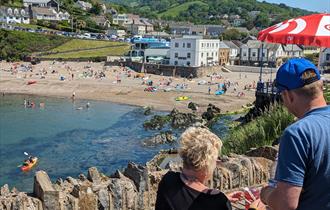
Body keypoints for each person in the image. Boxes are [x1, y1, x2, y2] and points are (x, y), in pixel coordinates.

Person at [260, 58, 330, 210]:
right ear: (321, 86)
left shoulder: (298, 133)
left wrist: (265, 194)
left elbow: (287, 204)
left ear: (288, 95)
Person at [155, 127, 232, 210]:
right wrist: (222, 201)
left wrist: (221, 199)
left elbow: (185, 201)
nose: (216, 163)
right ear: (206, 162)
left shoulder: (168, 180)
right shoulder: (219, 202)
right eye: (215, 159)